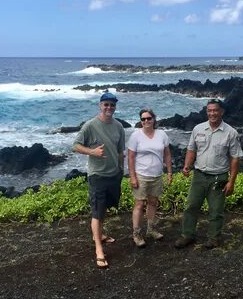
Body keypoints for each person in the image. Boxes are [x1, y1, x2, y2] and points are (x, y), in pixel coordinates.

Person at [174, 98, 243, 249]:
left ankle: (213, 238)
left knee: (216, 210)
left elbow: (235, 158)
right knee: (191, 206)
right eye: (209, 110)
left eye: (215, 110)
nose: (212, 113)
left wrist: (231, 182)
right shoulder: (198, 129)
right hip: (199, 175)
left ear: (222, 112)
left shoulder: (231, 133)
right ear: (206, 112)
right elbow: (192, 149)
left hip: (219, 177)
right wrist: (187, 166)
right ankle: (187, 235)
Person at [72, 92, 125, 268]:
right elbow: (75, 146)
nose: (109, 107)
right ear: (100, 105)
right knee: (97, 212)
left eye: (112, 105)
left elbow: (120, 151)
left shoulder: (118, 126)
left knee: (105, 209)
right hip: (97, 176)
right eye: (106, 104)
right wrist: (92, 152)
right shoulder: (90, 125)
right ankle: (98, 248)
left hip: (114, 174)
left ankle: (100, 235)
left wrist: (121, 170)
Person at [128, 108, 173, 247]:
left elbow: (167, 154)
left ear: (154, 119)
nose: (146, 121)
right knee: (139, 204)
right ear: (140, 121)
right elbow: (130, 157)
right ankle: (136, 234)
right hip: (141, 175)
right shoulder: (136, 136)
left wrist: (170, 172)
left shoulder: (162, 134)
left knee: (153, 203)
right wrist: (132, 177)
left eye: (149, 118)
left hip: (157, 175)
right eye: (143, 119)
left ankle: (151, 229)